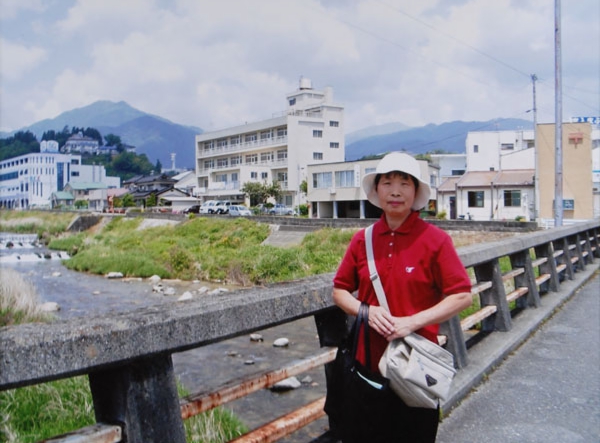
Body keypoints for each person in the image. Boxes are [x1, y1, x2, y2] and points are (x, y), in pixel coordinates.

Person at [331, 152, 473, 442]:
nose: (395, 191)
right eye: (388, 183)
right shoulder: (363, 239)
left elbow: (461, 296)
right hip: (367, 370)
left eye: (404, 183)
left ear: (416, 191)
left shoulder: (435, 240)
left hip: (416, 372)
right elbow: (339, 291)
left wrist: (411, 322)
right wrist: (366, 311)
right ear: (377, 190)